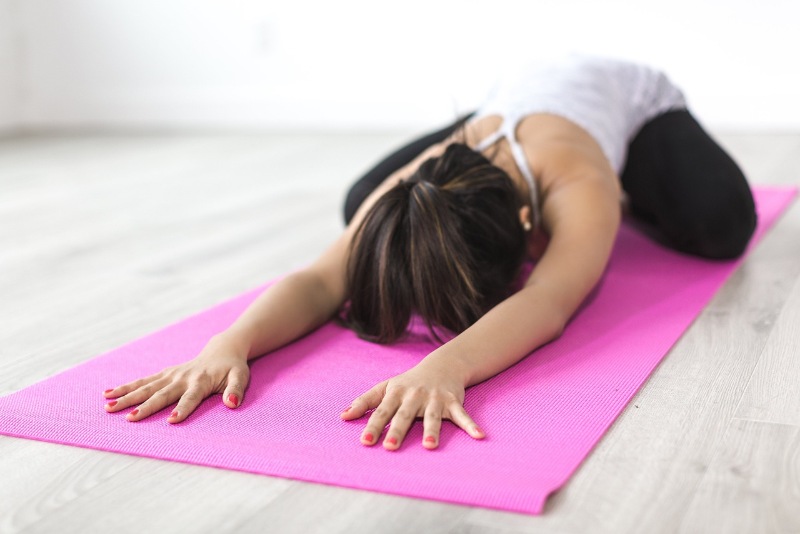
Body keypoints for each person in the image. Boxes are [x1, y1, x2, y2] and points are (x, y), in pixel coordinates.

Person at [102, 54, 757, 450]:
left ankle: (640, 192)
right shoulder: (424, 176)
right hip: (506, 107)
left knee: (724, 225)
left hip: (630, 106)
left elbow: (550, 301)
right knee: (366, 204)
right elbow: (318, 280)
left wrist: (446, 367)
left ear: (534, 230)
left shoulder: (580, 184)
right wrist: (228, 345)